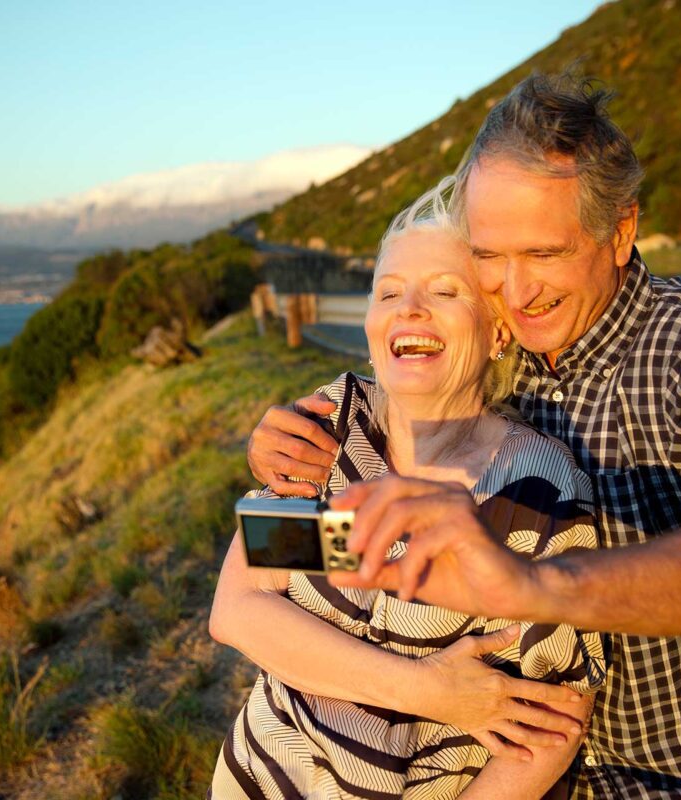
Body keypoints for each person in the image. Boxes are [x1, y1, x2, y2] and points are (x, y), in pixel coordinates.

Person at [247, 73, 681, 798]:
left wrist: (531, 588)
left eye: (546, 253)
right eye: (492, 257)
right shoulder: (427, 399)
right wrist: (288, 456)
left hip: (669, 775)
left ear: (621, 231)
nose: (519, 290)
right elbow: (256, 583)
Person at [209, 183, 606, 798]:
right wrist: (427, 690)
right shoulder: (334, 435)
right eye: (389, 292)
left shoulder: (534, 496)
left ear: (497, 330)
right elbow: (241, 608)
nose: (410, 308)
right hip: (260, 776)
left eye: (445, 291)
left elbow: (553, 724)